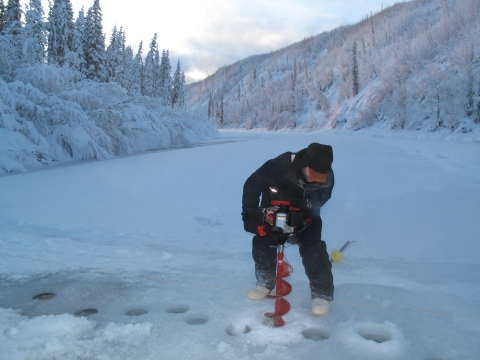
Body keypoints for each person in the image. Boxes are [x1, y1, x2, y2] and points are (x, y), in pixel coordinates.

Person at [242, 143, 335, 315]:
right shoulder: (279, 165)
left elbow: (323, 198)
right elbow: (252, 184)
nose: (316, 179)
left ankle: (321, 294)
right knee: (263, 241)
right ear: (304, 165)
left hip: (305, 214)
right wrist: (249, 215)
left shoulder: (327, 176)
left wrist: (304, 213)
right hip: (274, 209)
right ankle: (265, 282)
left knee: (314, 249)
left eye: (320, 176)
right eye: (313, 174)